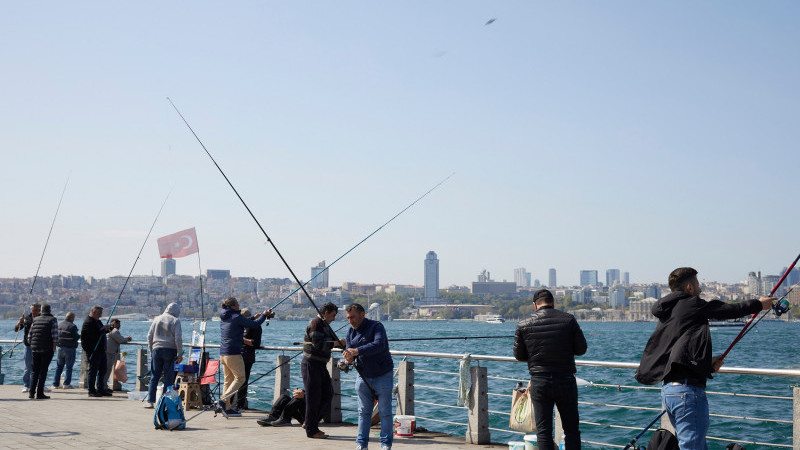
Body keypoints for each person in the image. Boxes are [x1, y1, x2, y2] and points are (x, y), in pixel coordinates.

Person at [635, 267, 775, 449]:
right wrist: (758, 304)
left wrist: (706, 365)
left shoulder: (668, 312)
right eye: (698, 286)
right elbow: (727, 310)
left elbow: (674, 354)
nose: (700, 291)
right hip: (687, 392)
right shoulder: (691, 304)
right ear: (689, 288)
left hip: (670, 391)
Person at [513, 289, 587, 450]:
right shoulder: (568, 320)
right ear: (553, 303)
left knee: (544, 431)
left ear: (535, 305)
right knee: (572, 430)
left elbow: (519, 355)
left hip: (540, 381)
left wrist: (535, 356)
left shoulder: (523, 323)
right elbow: (581, 349)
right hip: (565, 380)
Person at [342, 303, 394, 450]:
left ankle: (386, 445)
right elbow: (348, 352)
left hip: (383, 374)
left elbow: (379, 345)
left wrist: (356, 351)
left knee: (385, 411)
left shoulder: (377, 326)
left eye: (353, 317)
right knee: (363, 412)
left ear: (362, 314)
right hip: (362, 375)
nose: (350, 321)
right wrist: (348, 358)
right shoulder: (350, 332)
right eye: (348, 318)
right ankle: (361, 444)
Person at [218, 297, 271, 417]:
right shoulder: (236, 317)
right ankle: (223, 400)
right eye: (237, 304)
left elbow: (244, 322)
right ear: (232, 306)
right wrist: (264, 315)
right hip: (233, 353)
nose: (239, 306)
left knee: (228, 380)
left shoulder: (225, 317)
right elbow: (254, 325)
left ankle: (226, 407)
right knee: (241, 378)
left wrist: (253, 317)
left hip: (223, 352)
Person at [302, 302, 341, 440]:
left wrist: (338, 343)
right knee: (314, 398)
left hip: (320, 365)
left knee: (327, 393)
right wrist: (335, 343)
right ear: (326, 313)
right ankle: (312, 430)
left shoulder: (324, 325)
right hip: (311, 364)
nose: (334, 318)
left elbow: (327, 342)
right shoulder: (316, 323)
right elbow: (318, 345)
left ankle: (310, 422)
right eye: (333, 315)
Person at [145, 302, 183, 408]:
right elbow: (178, 338)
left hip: (156, 349)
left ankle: (150, 401)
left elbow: (149, 336)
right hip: (170, 350)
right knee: (168, 376)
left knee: (154, 376)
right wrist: (180, 353)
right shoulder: (175, 320)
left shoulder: (156, 319)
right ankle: (165, 401)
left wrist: (151, 349)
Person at [28, 303, 58, 400]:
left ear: (41, 310)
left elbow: (30, 335)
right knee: (43, 371)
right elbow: (54, 336)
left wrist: (32, 345)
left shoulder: (35, 319)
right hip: (47, 349)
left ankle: (31, 392)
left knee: (34, 371)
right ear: (50, 311)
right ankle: (40, 393)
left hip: (35, 348)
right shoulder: (52, 320)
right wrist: (54, 348)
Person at [81, 305, 112, 398]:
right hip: (93, 351)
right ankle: (91, 390)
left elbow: (102, 332)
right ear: (94, 312)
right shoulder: (88, 322)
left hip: (101, 350)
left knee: (103, 370)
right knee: (93, 371)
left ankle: (101, 389)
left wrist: (108, 329)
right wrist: (103, 329)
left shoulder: (98, 321)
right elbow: (93, 335)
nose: (101, 315)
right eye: (99, 313)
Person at [235, 308, 262, 411]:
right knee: (235, 380)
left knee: (243, 381)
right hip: (237, 355)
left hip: (247, 356)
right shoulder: (240, 325)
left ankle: (240, 405)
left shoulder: (255, 327)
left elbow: (255, 343)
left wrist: (242, 340)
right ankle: (231, 403)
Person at [14, 303, 41, 393]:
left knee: (40, 367)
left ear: (39, 310)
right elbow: (16, 329)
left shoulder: (42, 318)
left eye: (36, 310)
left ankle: (40, 385)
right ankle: (26, 385)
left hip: (39, 346)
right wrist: (19, 322)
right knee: (28, 367)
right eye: (33, 310)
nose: (34, 312)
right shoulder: (27, 319)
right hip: (28, 346)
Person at [51, 311, 79, 389]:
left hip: (60, 348)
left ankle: (55, 384)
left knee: (59, 367)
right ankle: (66, 384)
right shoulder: (72, 326)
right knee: (69, 367)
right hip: (69, 348)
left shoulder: (59, 324)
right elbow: (76, 337)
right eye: (73, 318)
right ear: (71, 318)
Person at [104, 319, 132, 391]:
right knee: (107, 371)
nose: (119, 326)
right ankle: (103, 387)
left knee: (105, 370)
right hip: (109, 353)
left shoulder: (108, 331)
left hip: (106, 352)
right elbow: (121, 340)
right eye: (118, 324)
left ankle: (103, 385)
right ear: (114, 324)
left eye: (119, 324)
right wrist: (127, 338)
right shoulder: (114, 331)